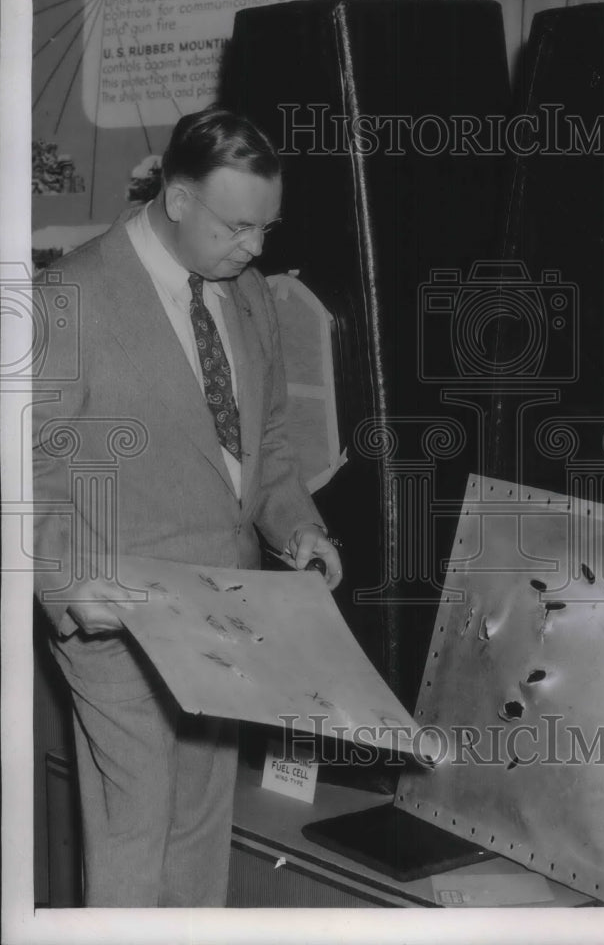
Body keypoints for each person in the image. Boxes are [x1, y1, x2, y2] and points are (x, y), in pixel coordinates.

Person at [33, 107, 342, 907]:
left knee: (200, 827)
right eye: (238, 226)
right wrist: (66, 584)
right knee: (135, 829)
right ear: (175, 199)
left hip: (222, 607)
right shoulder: (67, 296)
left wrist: (297, 525)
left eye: (267, 228)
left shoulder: (246, 294)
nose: (255, 248)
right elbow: (26, 470)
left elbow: (263, 441)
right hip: (118, 610)